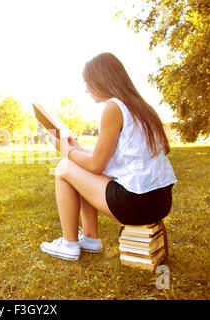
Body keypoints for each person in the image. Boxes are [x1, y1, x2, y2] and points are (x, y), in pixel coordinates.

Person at [40, 52, 177, 261]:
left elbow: (96, 165)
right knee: (76, 166)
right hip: (159, 201)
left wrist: (67, 151)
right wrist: (76, 147)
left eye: (88, 83)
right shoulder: (140, 107)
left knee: (63, 168)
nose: (86, 90)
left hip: (137, 204)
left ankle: (69, 244)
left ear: (100, 80)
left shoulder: (113, 107)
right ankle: (89, 239)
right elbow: (105, 157)